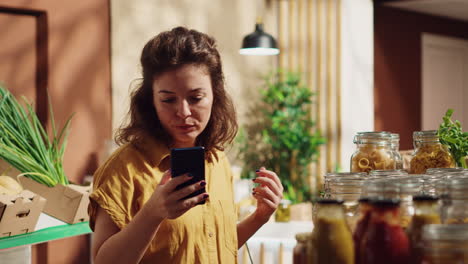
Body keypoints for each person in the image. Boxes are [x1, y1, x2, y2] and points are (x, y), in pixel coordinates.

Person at [88, 26, 284, 264]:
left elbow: (214, 247)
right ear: (151, 100)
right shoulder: (123, 170)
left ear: (215, 94)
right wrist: (152, 214)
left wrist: (260, 217)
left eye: (196, 98)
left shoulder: (216, 159)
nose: (183, 112)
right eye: (168, 99)